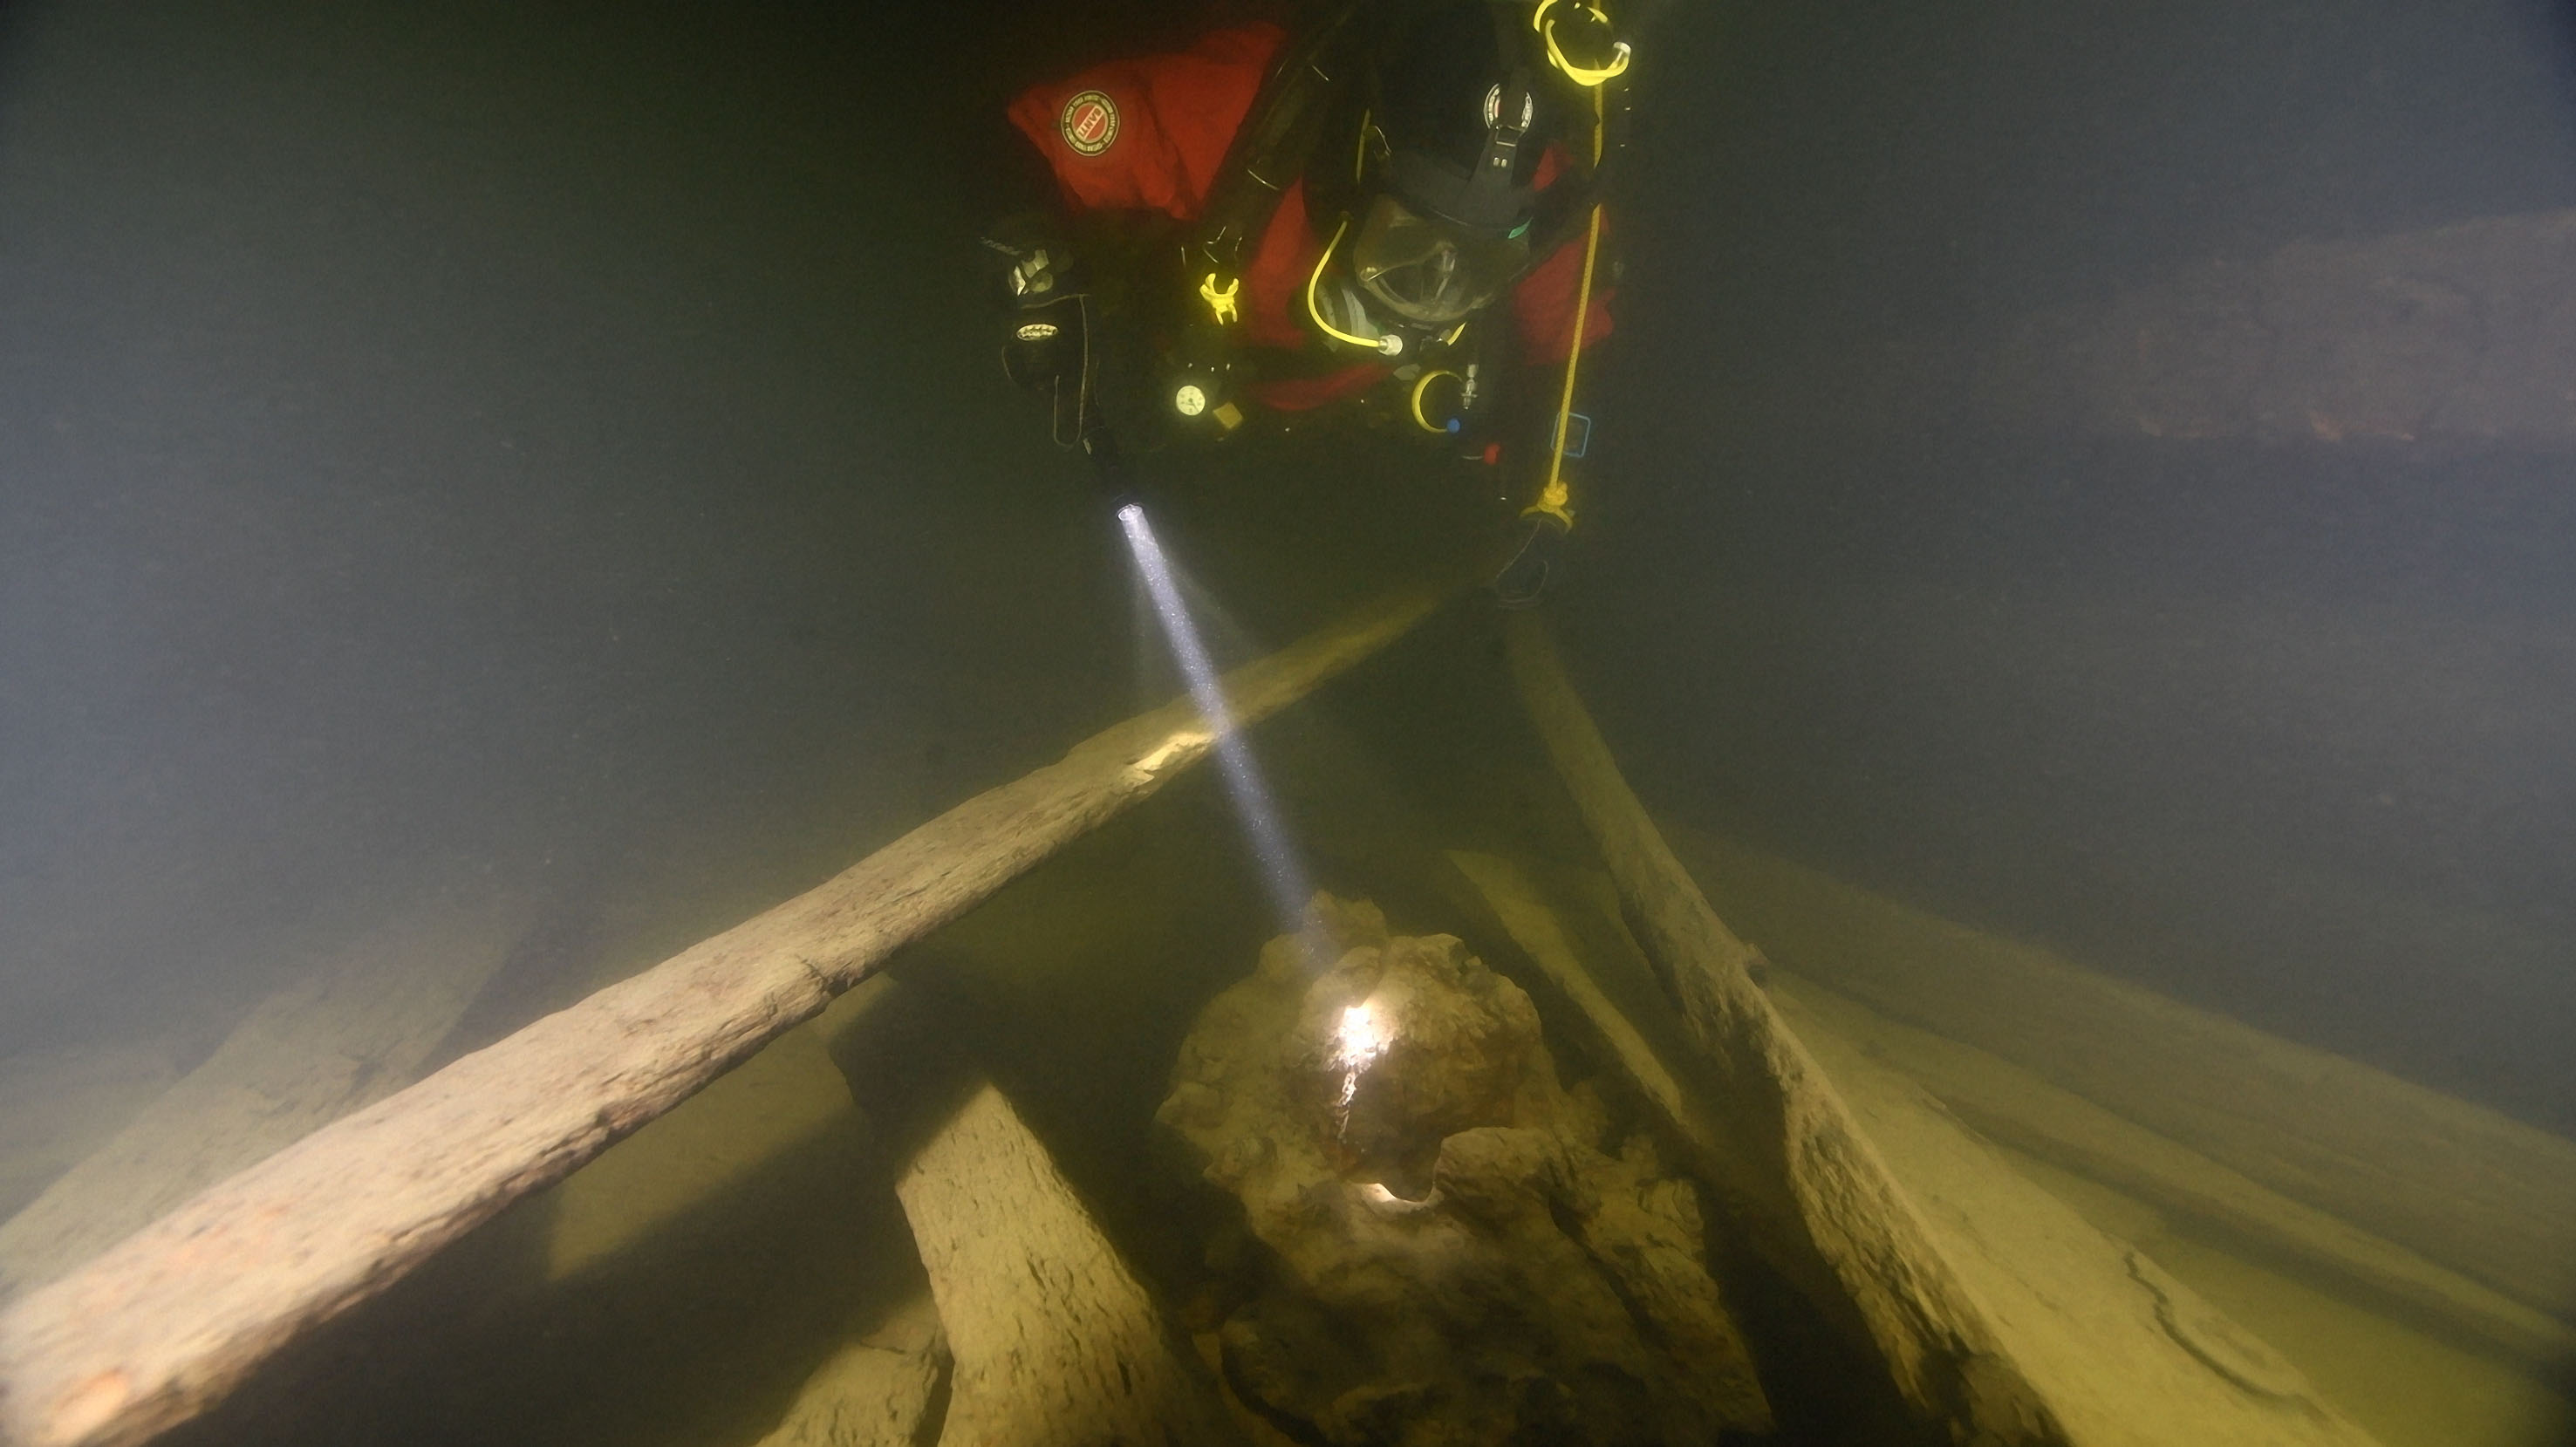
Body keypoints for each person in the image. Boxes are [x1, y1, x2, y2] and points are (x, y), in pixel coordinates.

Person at [981, 0, 1632, 606]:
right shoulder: (1238, 111)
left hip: (1355, 419)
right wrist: (1040, 277)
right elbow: (1029, 142)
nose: (1428, 299)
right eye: (1408, 242)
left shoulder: (1542, 196)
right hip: (1172, 363)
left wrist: (1547, 497)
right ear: (1365, 167)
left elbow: (1574, 345)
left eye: (1478, 266)